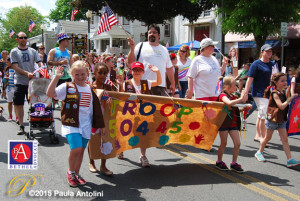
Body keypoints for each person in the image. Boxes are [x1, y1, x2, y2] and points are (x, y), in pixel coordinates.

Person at [46, 61, 105, 187]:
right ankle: (71, 172)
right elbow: (50, 94)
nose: (80, 77)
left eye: (82, 74)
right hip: (71, 124)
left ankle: (76, 174)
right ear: (72, 74)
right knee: (76, 149)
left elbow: (96, 107)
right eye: (77, 74)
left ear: (87, 73)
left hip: (86, 125)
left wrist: (100, 125)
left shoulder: (90, 88)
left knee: (81, 151)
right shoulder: (67, 86)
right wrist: (56, 77)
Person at [117, 61, 162, 167]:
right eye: (135, 70)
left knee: (143, 134)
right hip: (129, 113)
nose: (137, 72)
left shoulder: (146, 83)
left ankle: (143, 155)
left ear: (143, 72)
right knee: (127, 132)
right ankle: (121, 148)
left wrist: (158, 71)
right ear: (131, 71)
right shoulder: (126, 83)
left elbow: (158, 82)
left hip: (143, 114)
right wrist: (120, 85)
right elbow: (120, 96)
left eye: (139, 70)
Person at [254, 72, 300, 167]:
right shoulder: (274, 93)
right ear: (275, 82)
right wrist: (290, 99)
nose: (284, 83)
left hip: (281, 119)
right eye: (282, 81)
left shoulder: (284, 92)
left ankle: (289, 159)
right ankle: (259, 152)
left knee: (285, 139)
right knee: (268, 137)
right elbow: (281, 106)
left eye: (285, 81)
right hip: (273, 119)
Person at [127, 24, 175, 96]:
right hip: (143, 86)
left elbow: (169, 68)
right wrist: (132, 48)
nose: (152, 34)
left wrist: (173, 83)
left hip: (160, 87)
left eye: (154, 32)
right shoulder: (140, 46)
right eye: (150, 32)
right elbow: (130, 62)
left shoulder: (164, 50)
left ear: (159, 35)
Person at [10, 32, 42, 134]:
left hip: (32, 83)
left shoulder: (33, 51)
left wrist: (42, 69)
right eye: (21, 38)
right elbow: (15, 67)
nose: (23, 39)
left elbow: (39, 62)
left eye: (25, 37)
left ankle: (36, 122)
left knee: (35, 104)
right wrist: (26, 73)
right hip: (20, 82)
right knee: (19, 104)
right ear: (17, 39)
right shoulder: (14, 52)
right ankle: (21, 125)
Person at [242, 44, 275, 143]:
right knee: (264, 113)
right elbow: (250, 78)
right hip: (259, 92)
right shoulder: (256, 64)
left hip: (269, 92)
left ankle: (258, 135)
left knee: (261, 114)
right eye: (267, 51)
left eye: (270, 51)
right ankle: (262, 136)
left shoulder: (272, 64)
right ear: (262, 52)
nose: (269, 53)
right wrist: (246, 92)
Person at [88, 62, 114, 175]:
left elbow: (117, 99)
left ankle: (103, 166)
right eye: (100, 73)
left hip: (106, 119)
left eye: (105, 73)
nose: (102, 75)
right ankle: (91, 162)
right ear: (95, 73)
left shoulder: (109, 87)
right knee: (93, 140)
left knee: (106, 140)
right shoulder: (89, 87)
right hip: (92, 119)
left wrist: (111, 99)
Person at [216, 76, 246, 173]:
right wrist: (241, 99)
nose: (236, 87)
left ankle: (234, 163)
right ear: (228, 86)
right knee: (224, 143)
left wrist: (244, 108)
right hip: (224, 123)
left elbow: (234, 107)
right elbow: (229, 104)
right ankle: (219, 161)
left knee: (237, 143)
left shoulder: (233, 96)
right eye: (234, 85)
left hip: (233, 123)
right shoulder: (222, 96)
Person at [47, 33, 73, 106]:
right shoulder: (54, 51)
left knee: (68, 95)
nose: (68, 42)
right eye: (67, 40)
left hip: (67, 76)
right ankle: (52, 109)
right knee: (55, 96)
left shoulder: (69, 52)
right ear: (62, 41)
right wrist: (60, 62)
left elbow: (72, 65)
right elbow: (49, 62)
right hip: (57, 76)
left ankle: (66, 111)